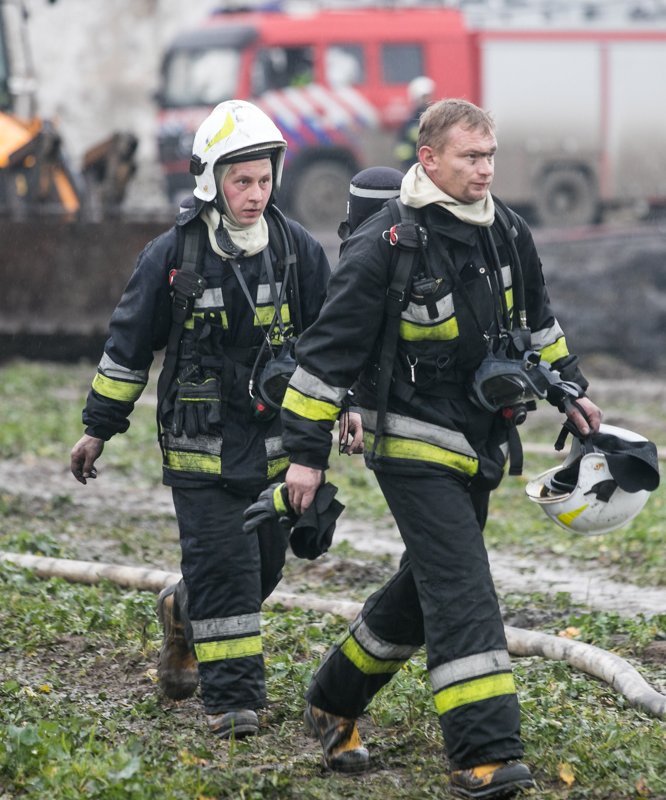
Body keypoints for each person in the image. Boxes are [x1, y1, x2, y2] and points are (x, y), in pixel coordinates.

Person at [279, 99, 602, 799]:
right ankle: (484, 753)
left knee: (423, 595)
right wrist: (305, 456)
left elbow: (539, 326)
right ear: (428, 160)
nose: (485, 170)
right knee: (461, 587)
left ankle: (333, 698)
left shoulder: (507, 232)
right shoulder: (387, 245)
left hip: (480, 443)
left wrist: (571, 392)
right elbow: (322, 361)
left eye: (490, 157)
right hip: (411, 444)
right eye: (470, 158)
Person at [68, 100, 352, 738]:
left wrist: (346, 408)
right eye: (241, 181)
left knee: (263, 568)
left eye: (264, 179)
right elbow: (127, 350)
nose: (256, 195)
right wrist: (98, 428)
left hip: (277, 449)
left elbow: (330, 340)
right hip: (201, 450)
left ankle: (182, 608)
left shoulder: (297, 250)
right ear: (211, 182)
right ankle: (233, 702)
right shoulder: (172, 256)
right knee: (225, 569)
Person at [395, 76, 435, 170]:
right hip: (415, 165)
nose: (428, 99)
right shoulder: (410, 122)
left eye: (429, 96)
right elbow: (403, 148)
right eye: (424, 96)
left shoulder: (434, 117)